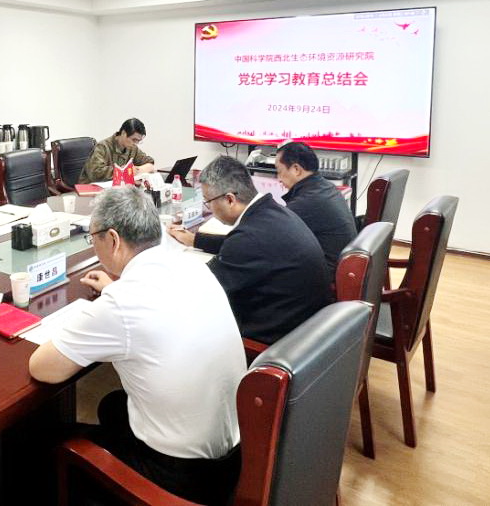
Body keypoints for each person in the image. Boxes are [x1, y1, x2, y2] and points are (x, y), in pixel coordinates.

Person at [29, 186, 245, 506]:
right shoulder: (193, 268)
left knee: (55, 451)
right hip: (234, 459)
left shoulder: (123, 302)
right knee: (112, 405)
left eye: (93, 238)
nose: (94, 246)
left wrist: (102, 307)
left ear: (113, 239)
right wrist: (112, 291)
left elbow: (43, 368)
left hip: (181, 478)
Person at [167, 156, 330, 345]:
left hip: (274, 341)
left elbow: (203, 290)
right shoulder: (271, 212)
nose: (208, 207)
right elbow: (241, 244)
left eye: (208, 202)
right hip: (305, 326)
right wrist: (194, 239)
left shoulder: (248, 238)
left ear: (230, 199)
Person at [276, 141, 357, 279]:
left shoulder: (305, 202)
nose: (278, 178)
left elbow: (272, 235)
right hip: (342, 266)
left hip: (326, 277)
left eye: (279, 171)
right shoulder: (325, 186)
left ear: (296, 169)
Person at [78, 118, 156, 183]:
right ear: (123, 133)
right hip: (90, 189)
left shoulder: (132, 148)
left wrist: (137, 170)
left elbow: (149, 163)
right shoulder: (103, 146)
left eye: (138, 141)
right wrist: (123, 171)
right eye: (134, 140)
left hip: (116, 189)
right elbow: (95, 173)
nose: (135, 143)